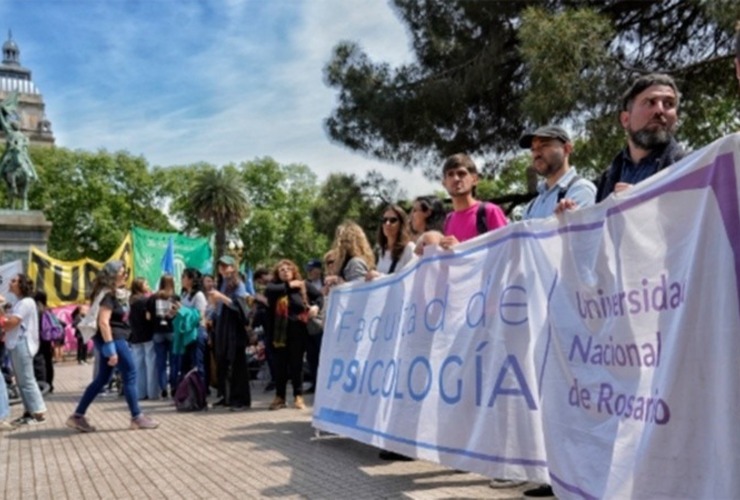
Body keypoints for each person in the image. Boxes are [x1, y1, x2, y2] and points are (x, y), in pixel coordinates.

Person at [66, 260, 158, 432]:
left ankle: (77, 416)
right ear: (113, 275)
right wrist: (110, 348)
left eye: (126, 272)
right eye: (123, 272)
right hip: (115, 339)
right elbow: (103, 322)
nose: (125, 275)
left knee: (102, 379)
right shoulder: (108, 295)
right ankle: (137, 417)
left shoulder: (108, 293)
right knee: (130, 374)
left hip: (114, 339)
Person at [593, 73, 685, 203]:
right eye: (650, 102)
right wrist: (570, 217)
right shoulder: (608, 177)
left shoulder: (688, 167)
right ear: (626, 119)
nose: (660, 110)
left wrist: (643, 204)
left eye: (668, 104)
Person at [264, 259, 322, 411]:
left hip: (298, 332)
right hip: (278, 334)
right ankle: (280, 397)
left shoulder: (303, 285)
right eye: (281, 270)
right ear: (277, 273)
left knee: (297, 365)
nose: (285, 271)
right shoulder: (274, 287)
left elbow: (319, 297)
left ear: (293, 271)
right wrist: (289, 285)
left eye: (288, 269)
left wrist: (316, 306)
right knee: (280, 366)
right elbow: (271, 291)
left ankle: (298, 396)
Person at [518, 125, 596, 219]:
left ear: (567, 148)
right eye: (533, 149)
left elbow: (579, 232)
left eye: (544, 146)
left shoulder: (581, 190)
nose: (536, 154)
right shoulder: (531, 207)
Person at [3, 274, 47, 425]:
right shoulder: (20, 302)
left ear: (22, 284)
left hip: (22, 343)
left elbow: (12, 323)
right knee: (22, 380)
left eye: (14, 280)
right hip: (17, 343)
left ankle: (38, 412)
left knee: (26, 379)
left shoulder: (26, 302)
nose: (11, 282)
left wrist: (2, 318)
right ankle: (29, 412)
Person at [437, 153, 507, 249]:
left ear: (475, 180)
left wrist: (460, 249)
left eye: (461, 173)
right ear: (444, 183)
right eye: (450, 174)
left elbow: (506, 251)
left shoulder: (490, 211)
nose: (456, 178)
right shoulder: (447, 221)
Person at [209, 255, 251, 411]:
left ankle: (241, 400)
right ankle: (226, 396)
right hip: (221, 325)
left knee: (237, 364)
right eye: (221, 266)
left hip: (234, 328)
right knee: (223, 362)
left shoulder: (238, 284)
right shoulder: (221, 283)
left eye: (227, 266)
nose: (223, 269)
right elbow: (217, 307)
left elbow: (240, 308)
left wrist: (222, 297)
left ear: (233, 267)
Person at [366, 205, 416, 280]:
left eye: (393, 220)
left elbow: (412, 278)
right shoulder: (379, 250)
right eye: (384, 220)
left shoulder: (409, 248)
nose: (387, 223)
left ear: (401, 224)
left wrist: (380, 277)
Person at [146, 274, 177, 398]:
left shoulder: (152, 298)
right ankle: (174, 386)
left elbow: (148, 317)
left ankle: (163, 387)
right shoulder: (174, 297)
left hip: (157, 331)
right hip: (171, 330)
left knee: (161, 362)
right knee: (174, 361)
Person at [128, 277, 158, 400]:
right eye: (145, 283)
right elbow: (149, 318)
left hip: (135, 335)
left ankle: (140, 392)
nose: (147, 284)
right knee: (151, 364)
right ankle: (152, 393)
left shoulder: (131, 300)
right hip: (147, 334)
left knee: (138, 365)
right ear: (140, 286)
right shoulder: (146, 300)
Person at [324, 222, 376, 289]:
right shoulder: (347, 263)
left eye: (342, 240)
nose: (338, 244)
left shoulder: (355, 263)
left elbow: (359, 290)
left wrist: (339, 281)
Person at [180, 268, 208, 382]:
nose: (182, 279)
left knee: (197, 363)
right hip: (186, 332)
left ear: (191, 280)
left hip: (196, 331)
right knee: (186, 365)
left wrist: (182, 310)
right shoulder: (185, 294)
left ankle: (200, 392)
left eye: (184, 277)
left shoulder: (199, 295)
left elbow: (200, 315)